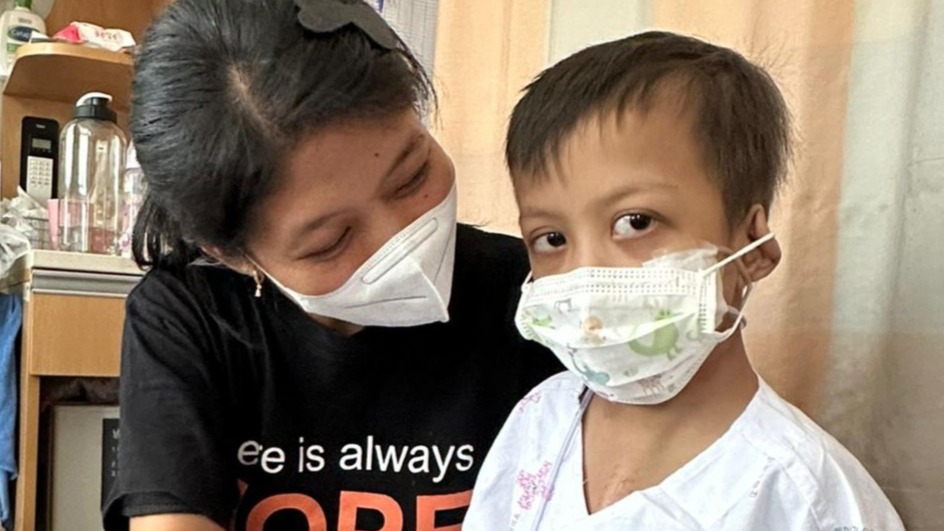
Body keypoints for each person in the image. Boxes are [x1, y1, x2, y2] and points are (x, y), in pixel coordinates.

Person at [102, 1, 561, 530]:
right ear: (231, 254)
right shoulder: (189, 317)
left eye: (412, 176)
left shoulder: (537, 296)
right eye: (330, 242)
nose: (400, 241)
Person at [463, 32, 905, 530]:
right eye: (552, 238)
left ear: (752, 245)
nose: (585, 274)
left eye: (635, 223)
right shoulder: (540, 419)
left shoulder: (806, 498)